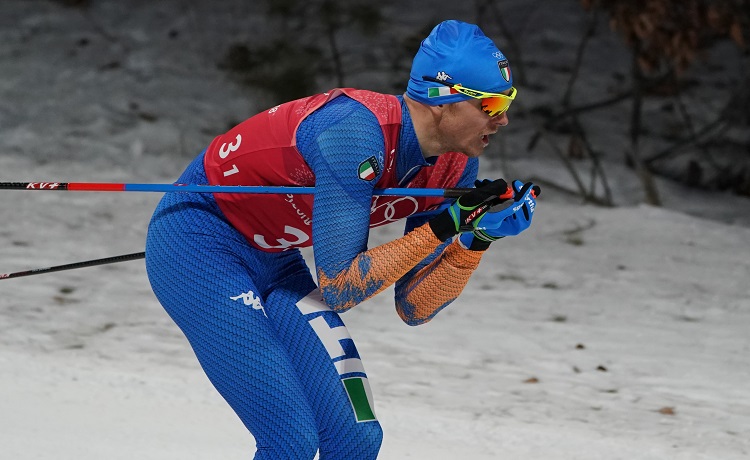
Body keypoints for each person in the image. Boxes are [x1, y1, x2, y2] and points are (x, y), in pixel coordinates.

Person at [145, 19, 538, 460]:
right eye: (491, 104)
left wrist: (475, 240)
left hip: (274, 257)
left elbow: (414, 307)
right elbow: (341, 286)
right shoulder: (353, 132)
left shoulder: (453, 165)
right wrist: (444, 226)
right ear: (441, 99)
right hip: (199, 244)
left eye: (508, 102)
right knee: (290, 442)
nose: (503, 119)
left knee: (356, 440)